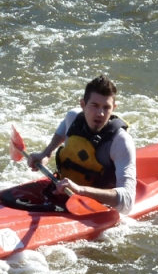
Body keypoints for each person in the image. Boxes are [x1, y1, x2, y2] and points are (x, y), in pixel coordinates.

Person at [25, 75, 136, 214]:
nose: (100, 113)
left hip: (94, 207)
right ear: (83, 104)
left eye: (106, 107)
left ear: (114, 108)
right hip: (61, 193)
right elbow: (61, 133)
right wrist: (45, 154)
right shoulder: (73, 118)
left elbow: (128, 201)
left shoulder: (121, 142)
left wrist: (79, 190)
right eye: (94, 106)